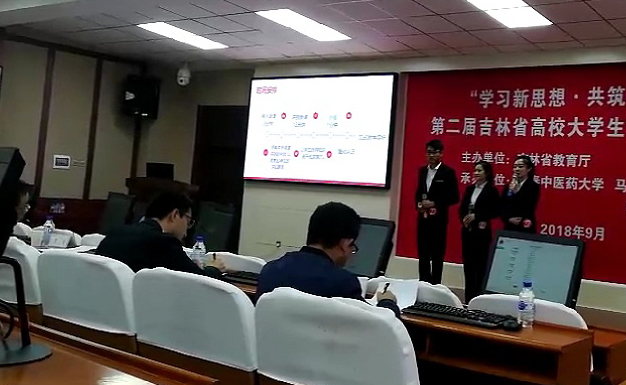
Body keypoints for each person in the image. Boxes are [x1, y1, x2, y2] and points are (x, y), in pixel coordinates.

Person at [257, 202, 399, 315]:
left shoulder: (270, 270)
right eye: (352, 247)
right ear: (344, 244)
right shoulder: (342, 283)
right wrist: (388, 302)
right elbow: (379, 326)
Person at [96, 192, 226, 276]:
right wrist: (213, 268)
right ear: (175, 215)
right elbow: (197, 277)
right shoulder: (163, 242)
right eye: (188, 221)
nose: (186, 231)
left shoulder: (115, 233)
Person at [414, 139, 459, 285]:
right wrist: (419, 204)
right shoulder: (423, 171)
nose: (431, 155)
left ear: (441, 154)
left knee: (437, 256)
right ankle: (423, 284)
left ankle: (435, 286)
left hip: (439, 221)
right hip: (423, 219)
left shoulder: (448, 172)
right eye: (429, 152)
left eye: (434, 152)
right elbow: (419, 192)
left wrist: (434, 203)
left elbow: (454, 197)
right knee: (423, 255)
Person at [458, 161, 500, 303]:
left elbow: (495, 211)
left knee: (480, 266)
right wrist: (464, 219)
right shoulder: (470, 189)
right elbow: (462, 208)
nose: (476, 173)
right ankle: (468, 299)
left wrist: (477, 216)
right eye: (475, 170)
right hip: (467, 232)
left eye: (479, 170)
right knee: (468, 266)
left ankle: (479, 299)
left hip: (481, 233)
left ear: (487, 173)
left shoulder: (491, 191)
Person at [501, 155, 541, 233]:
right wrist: (508, 218)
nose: (517, 169)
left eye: (520, 167)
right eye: (515, 167)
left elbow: (529, 207)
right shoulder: (509, 186)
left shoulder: (533, 186)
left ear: (529, 169)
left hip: (525, 226)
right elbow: (502, 205)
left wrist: (516, 192)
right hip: (509, 226)